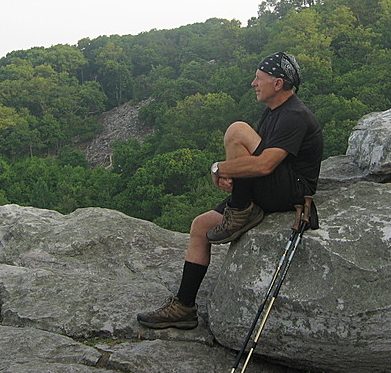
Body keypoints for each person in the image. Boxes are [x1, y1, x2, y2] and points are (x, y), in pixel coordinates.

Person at [137, 52, 323, 330]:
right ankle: (184, 307)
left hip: (292, 191)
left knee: (237, 131)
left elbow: (264, 165)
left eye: (259, 79)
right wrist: (226, 171)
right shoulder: (274, 113)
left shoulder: (295, 116)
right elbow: (256, 164)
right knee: (200, 226)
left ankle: (242, 210)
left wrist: (222, 169)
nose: (253, 84)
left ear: (278, 83)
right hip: (273, 186)